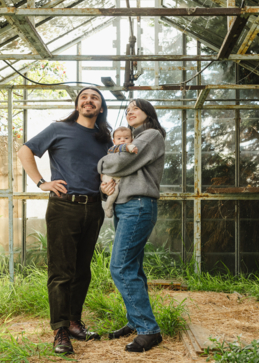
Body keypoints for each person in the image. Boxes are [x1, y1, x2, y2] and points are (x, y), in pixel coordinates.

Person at [18, 87, 112, 355]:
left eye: (94, 98)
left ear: (101, 107)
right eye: (84, 97)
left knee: (82, 270)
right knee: (62, 272)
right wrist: (41, 182)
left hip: (93, 209)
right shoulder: (58, 129)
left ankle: (73, 322)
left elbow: (111, 170)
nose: (88, 100)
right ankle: (59, 330)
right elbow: (25, 151)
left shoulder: (104, 137)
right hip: (63, 207)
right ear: (77, 104)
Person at [99, 99, 166, 353]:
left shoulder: (150, 135)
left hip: (138, 206)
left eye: (135, 108)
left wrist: (101, 164)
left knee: (121, 267)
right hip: (126, 206)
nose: (129, 112)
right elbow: (118, 172)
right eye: (127, 110)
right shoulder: (133, 139)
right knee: (133, 267)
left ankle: (149, 330)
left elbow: (116, 164)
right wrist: (106, 188)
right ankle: (136, 322)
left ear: (148, 113)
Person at [101, 126, 138, 218]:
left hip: (118, 177)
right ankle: (108, 207)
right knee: (114, 191)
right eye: (119, 138)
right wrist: (131, 147)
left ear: (132, 139)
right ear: (114, 141)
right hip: (110, 176)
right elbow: (123, 147)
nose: (122, 140)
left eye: (126, 138)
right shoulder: (113, 149)